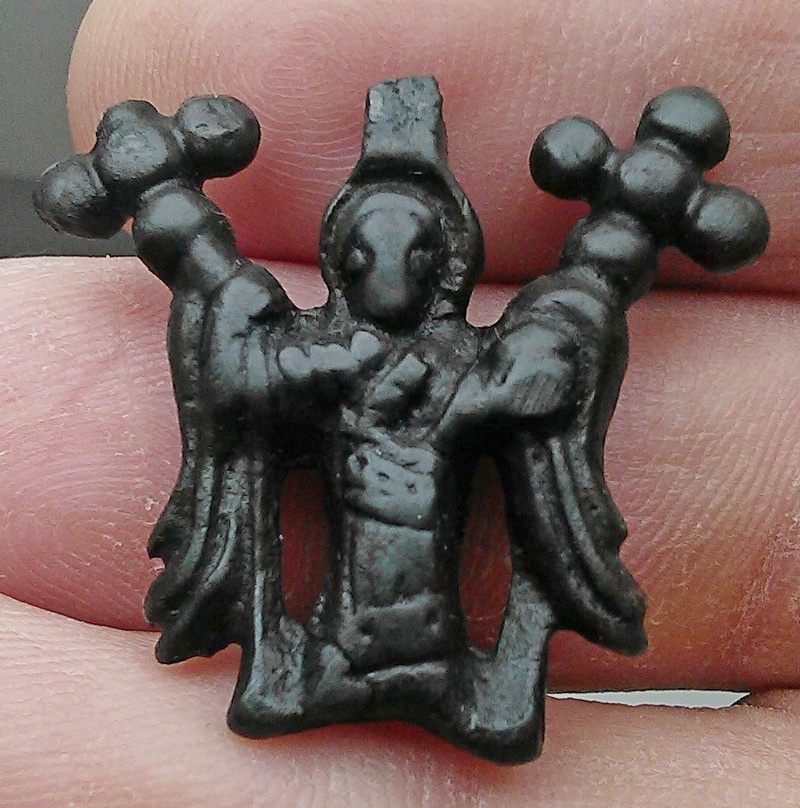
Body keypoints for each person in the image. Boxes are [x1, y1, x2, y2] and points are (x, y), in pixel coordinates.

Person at [1, 0, 798, 802]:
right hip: (332, 636)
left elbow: (550, 348)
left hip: (437, 629)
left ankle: (467, 683)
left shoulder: (469, 362)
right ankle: (310, 665)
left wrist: (619, 240)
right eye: (365, 254)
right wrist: (182, 230)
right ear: (342, 260)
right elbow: (238, 355)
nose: (389, 274)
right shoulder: (309, 356)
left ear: (445, 262)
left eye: (416, 254)